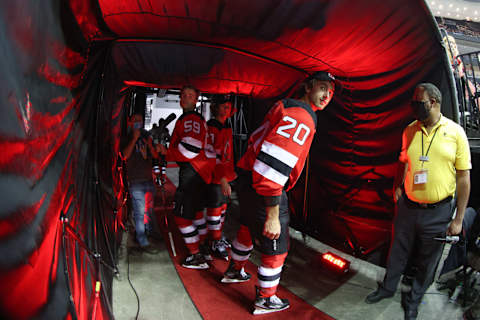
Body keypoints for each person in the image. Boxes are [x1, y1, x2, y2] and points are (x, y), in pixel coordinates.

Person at [221, 71, 336, 315]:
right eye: (322, 87)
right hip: (265, 186)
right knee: (277, 245)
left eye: (330, 91)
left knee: (246, 228)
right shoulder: (302, 116)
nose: (327, 94)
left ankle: (234, 270)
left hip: (248, 180)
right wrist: (273, 211)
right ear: (308, 88)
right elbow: (272, 165)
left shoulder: (286, 106)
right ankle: (266, 298)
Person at [365, 83, 471, 320]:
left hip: (438, 211)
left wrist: (459, 218)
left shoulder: (455, 133)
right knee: (397, 252)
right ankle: (387, 288)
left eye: (418, 102)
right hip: (408, 207)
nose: (413, 106)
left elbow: (464, 178)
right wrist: (397, 187)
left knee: (427, 261)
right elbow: (402, 161)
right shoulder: (410, 130)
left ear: (433, 102)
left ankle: (413, 300)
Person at [162, 85, 215, 269]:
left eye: (190, 95)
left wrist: (167, 152)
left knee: (181, 216)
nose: (185, 98)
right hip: (202, 174)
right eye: (183, 95)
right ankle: (203, 247)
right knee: (198, 214)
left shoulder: (190, 119)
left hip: (193, 172)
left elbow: (191, 149)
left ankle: (196, 255)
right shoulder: (196, 119)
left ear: (196, 99)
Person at [122, 113, 160, 254]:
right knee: (139, 212)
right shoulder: (127, 137)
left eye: (140, 120)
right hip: (136, 181)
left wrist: (149, 149)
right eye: (135, 120)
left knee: (149, 211)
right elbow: (124, 156)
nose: (138, 122)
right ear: (130, 122)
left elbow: (155, 156)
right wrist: (134, 139)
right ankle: (143, 241)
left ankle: (149, 233)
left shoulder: (146, 137)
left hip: (148, 179)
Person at [205, 95, 236, 260]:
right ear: (215, 108)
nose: (227, 109)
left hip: (226, 174)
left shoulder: (225, 125)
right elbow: (213, 155)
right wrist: (223, 178)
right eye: (223, 106)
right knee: (215, 210)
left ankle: (217, 238)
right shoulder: (212, 127)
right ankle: (214, 241)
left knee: (223, 209)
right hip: (216, 177)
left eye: (228, 106)